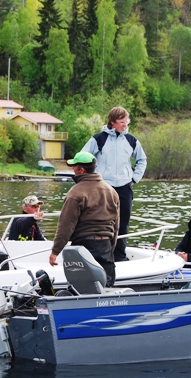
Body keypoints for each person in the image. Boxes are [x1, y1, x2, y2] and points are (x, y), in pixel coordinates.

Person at [80, 106, 147, 262]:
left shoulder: (131, 140)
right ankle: (100, 254)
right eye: (121, 121)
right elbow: (83, 157)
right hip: (103, 187)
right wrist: (89, 180)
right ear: (112, 122)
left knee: (123, 224)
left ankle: (119, 256)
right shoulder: (98, 139)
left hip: (124, 187)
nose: (125, 124)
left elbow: (142, 160)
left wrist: (135, 178)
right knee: (101, 222)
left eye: (126, 121)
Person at [49, 152, 120, 287]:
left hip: (84, 246)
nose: (73, 170)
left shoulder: (75, 193)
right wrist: (111, 248)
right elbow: (116, 226)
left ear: (81, 170)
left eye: (74, 167)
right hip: (105, 245)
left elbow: (65, 226)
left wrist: (55, 251)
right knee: (107, 286)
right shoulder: (111, 191)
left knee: (84, 287)